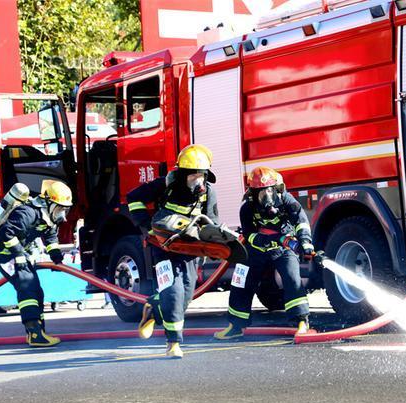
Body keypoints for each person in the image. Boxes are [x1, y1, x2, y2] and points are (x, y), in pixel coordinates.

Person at [127, 144, 218, 358]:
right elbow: (133, 198)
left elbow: (212, 222)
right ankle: (173, 343)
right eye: (193, 175)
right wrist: (146, 227)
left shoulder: (208, 193)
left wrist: (213, 245)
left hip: (189, 248)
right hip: (163, 247)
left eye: (201, 175)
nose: (198, 180)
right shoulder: (165, 185)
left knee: (185, 295)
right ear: (182, 174)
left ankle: (154, 307)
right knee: (173, 291)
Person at [214, 166, 314, 340]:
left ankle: (301, 322)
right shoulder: (247, 207)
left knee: (292, 278)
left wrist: (305, 242)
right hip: (257, 249)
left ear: (275, 189)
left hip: (284, 247)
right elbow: (249, 235)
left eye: (269, 190)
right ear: (253, 193)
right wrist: (266, 240)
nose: (266, 195)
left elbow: (301, 221)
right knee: (240, 280)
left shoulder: (287, 200)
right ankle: (235, 326)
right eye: (260, 192)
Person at [0, 180, 73, 347]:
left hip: (19, 255)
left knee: (37, 291)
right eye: (59, 209)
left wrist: (55, 254)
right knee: (27, 288)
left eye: (64, 210)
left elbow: (50, 237)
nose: (61, 215)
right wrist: (19, 255)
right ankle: (34, 333)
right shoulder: (28, 213)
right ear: (49, 203)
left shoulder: (47, 217)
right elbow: (6, 233)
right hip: (6, 255)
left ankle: (38, 332)